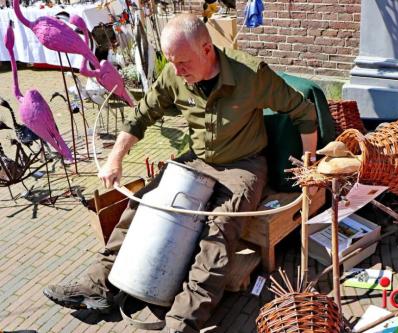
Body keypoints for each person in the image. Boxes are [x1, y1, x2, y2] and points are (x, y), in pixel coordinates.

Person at [43, 13, 318, 333]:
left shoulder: (250, 75)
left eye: (182, 61)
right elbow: (142, 115)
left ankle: (181, 322)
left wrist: (309, 163)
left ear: (206, 49)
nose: (175, 71)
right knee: (145, 203)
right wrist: (115, 158)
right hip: (197, 159)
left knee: (218, 232)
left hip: (243, 166)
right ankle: (98, 286)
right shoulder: (176, 74)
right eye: (170, 61)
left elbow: (303, 111)